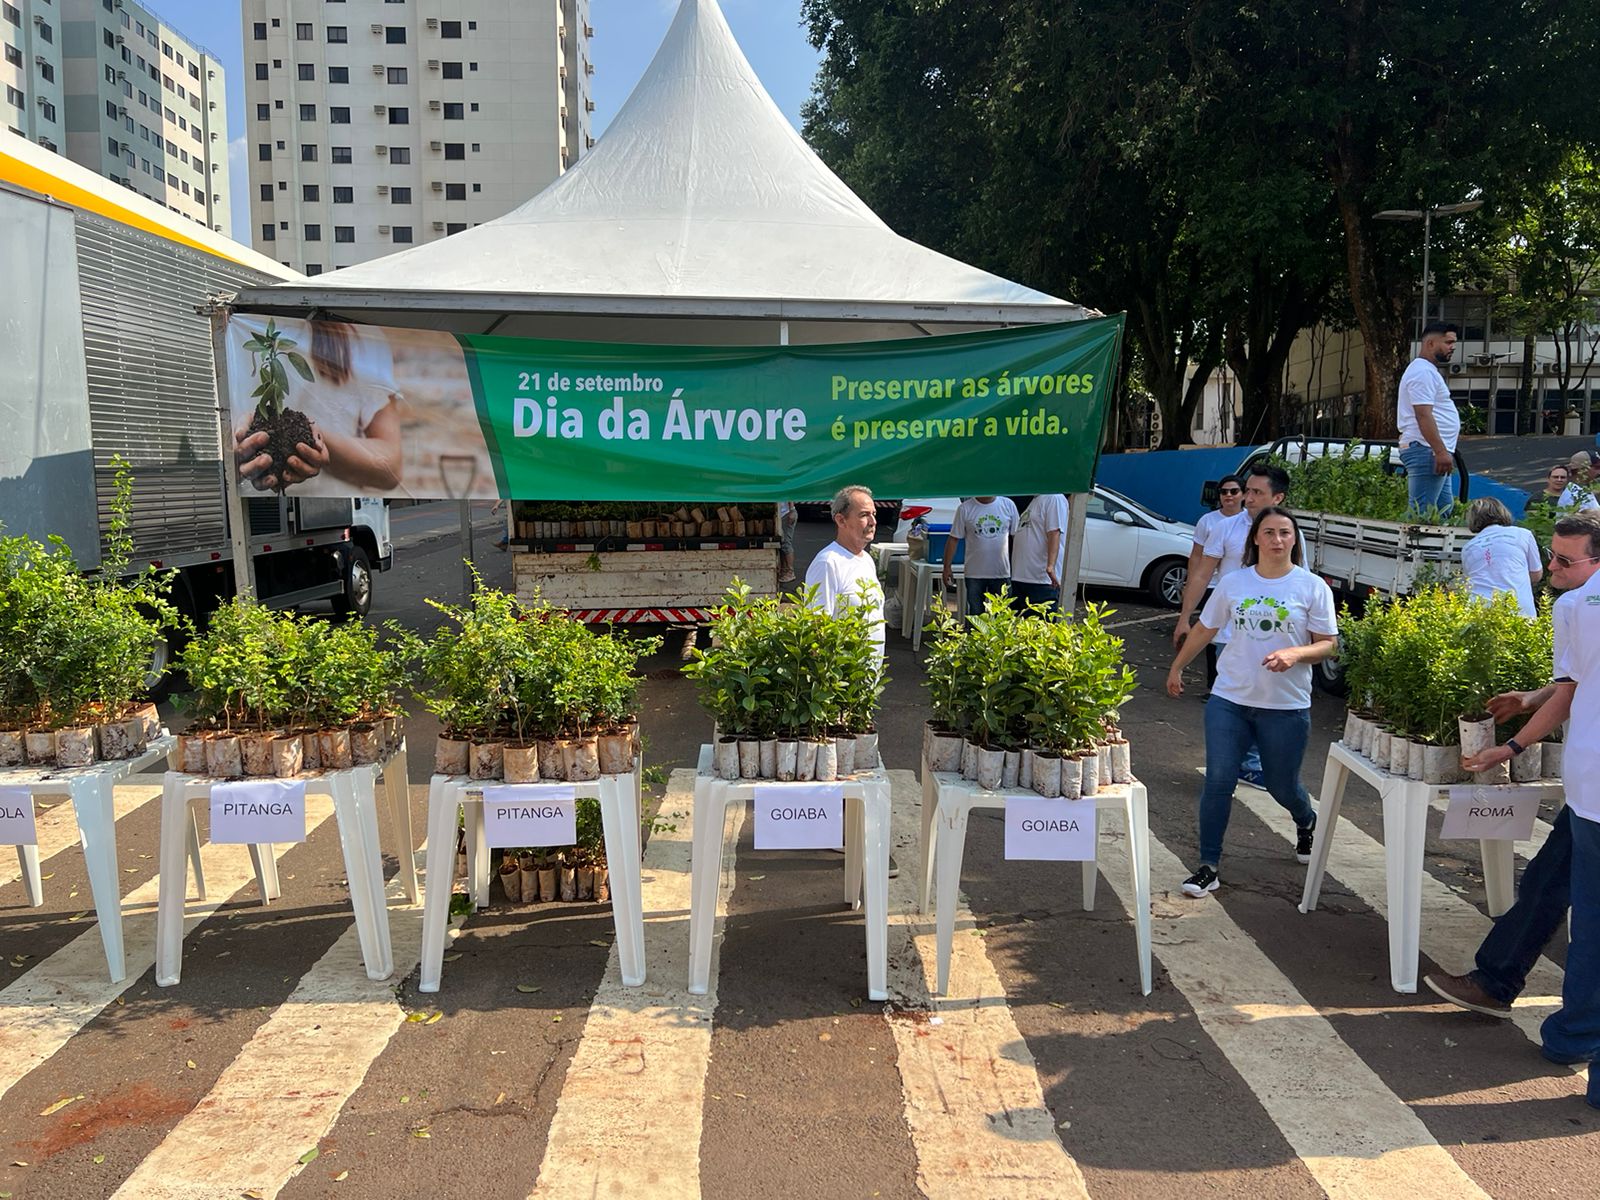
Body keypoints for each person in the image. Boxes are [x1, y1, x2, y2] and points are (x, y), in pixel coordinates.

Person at [1426, 512, 1600, 1029]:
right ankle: (1496, 981)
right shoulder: (1576, 602)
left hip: (1592, 782)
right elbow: (1575, 682)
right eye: (1552, 555)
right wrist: (1529, 698)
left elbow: (1570, 692)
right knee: (1550, 879)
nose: (1552, 568)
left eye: (1566, 561)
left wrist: (1515, 745)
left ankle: (1572, 1031)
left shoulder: (1576, 606)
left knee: (1586, 918)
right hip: (1588, 788)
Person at [1166, 506, 1338, 897]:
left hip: (1286, 706)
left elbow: (1328, 645)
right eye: (1269, 533)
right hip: (1230, 698)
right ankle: (1208, 865)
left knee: (1281, 785)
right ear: (1256, 539)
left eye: (1285, 533)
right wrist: (1178, 666)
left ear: (1294, 540)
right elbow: (1206, 629)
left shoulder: (1312, 587)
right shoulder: (1234, 583)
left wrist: (1295, 654)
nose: (1277, 540)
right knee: (1219, 779)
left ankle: (1306, 818)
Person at [235, 319, 405, 496]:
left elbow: (390, 466)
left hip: (336, 510)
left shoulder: (361, 336)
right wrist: (235, 447)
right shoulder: (234, 325)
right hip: (245, 506)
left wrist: (311, 439)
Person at [805, 484, 885, 666]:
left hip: (868, 679)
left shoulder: (866, 559)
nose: (873, 521)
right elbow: (816, 627)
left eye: (874, 514)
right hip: (843, 683)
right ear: (841, 521)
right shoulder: (828, 563)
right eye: (864, 515)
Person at [1397, 321, 1461, 518]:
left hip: (1432, 450)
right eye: (1448, 342)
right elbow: (1423, 414)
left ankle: (1432, 549)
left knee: (1442, 511)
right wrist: (1440, 451)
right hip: (1427, 450)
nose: (1453, 347)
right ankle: (1412, 549)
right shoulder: (1422, 372)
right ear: (1430, 343)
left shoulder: (1427, 371)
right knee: (1421, 514)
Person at [1188, 475, 1245, 685]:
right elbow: (1196, 555)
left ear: (1243, 494)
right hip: (1211, 586)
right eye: (1224, 492)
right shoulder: (1209, 521)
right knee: (1212, 635)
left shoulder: (1252, 522)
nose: (1228, 496)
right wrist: (1193, 583)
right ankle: (1213, 684)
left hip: (1237, 590)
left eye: (1234, 491)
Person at [1460, 497, 1543, 618]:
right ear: (1502, 512)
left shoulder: (1468, 547)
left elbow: (1470, 581)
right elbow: (1536, 575)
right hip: (1517, 606)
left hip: (1479, 607)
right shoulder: (1522, 534)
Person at [942, 495, 1019, 619]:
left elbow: (1018, 537)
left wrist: (1019, 566)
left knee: (1002, 617)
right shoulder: (964, 508)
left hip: (1001, 573)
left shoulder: (1008, 505)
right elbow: (953, 539)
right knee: (976, 616)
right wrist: (947, 567)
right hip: (974, 574)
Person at [1010, 492, 1069, 611]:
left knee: (1040, 623)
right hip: (1022, 577)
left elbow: (1054, 532)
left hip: (1041, 579)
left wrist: (1050, 566)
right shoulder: (1035, 500)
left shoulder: (1054, 498)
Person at [778, 501, 799, 583]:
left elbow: (789, 495)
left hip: (786, 514)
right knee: (782, 544)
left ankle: (790, 572)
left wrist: (792, 510)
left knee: (786, 543)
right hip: (781, 515)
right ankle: (784, 570)